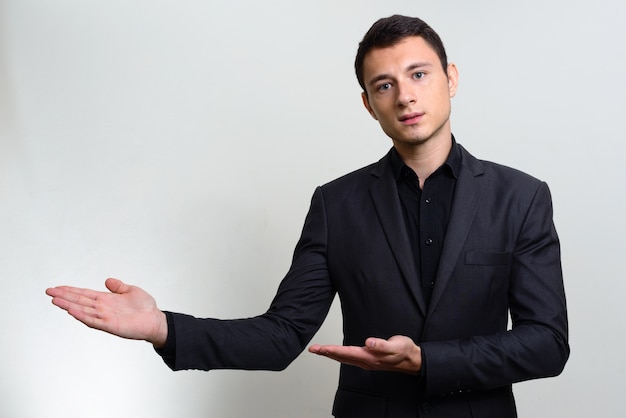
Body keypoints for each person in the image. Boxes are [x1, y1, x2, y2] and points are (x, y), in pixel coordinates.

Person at [46, 15, 569, 418]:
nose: (405, 94)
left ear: (450, 78)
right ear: (368, 104)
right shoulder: (335, 204)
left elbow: (546, 343)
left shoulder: (521, 197)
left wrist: (427, 362)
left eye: (418, 74)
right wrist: (162, 327)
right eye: (384, 84)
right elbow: (282, 335)